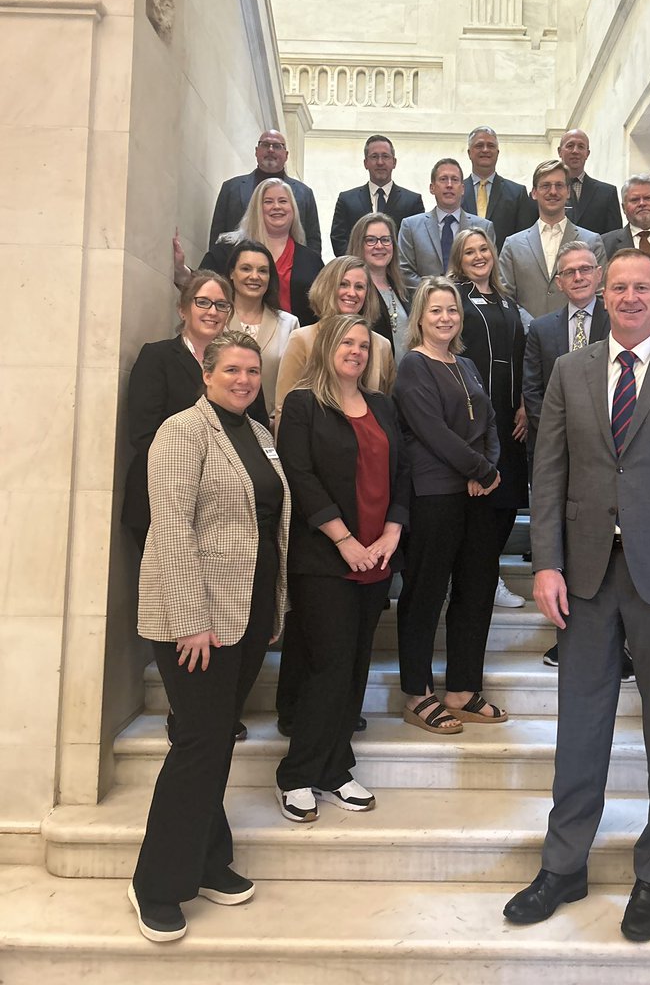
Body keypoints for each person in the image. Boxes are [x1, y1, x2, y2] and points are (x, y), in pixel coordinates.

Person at [504, 248, 650, 942]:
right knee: (579, 728)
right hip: (583, 579)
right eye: (619, 288)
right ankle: (564, 864)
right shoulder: (570, 370)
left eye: (642, 286)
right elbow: (546, 478)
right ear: (600, 296)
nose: (631, 297)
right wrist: (543, 563)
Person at [129, 330, 290, 943]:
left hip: (245, 616)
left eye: (252, 370)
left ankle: (206, 858)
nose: (244, 380)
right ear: (206, 370)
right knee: (198, 741)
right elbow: (170, 531)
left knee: (217, 737)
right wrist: (193, 618)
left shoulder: (259, 435)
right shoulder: (181, 433)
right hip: (190, 622)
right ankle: (156, 884)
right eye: (232, 370)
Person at [274, 315, 410, 823]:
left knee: (355, 664)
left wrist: (393, 533)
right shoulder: (303, 404)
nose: (356, 350)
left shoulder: (381, 405)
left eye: (362, 344)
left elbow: (401, 471)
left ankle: (335, 769)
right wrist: (346, 541)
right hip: (325, 559)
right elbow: (301, 476)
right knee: (327, 665)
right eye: (346, 342)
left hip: (378, 557)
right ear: (326, 347)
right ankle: (298, 774)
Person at [394, 278, 505, 734]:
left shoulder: (467, 364)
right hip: (435, 494)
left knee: (476, 591)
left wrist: (490, 467)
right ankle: (417, 693)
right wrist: (479, 470)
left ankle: (461, 688)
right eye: (436, 310)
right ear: (419, 317)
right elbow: (432, 431)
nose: (445, 318)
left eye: (453, 311)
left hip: (479, 494)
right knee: (425, 593)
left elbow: (491, 422)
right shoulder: (413, 367)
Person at [122, 271, 268, 552]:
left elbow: (256, 427)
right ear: (183, 308)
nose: (212, 311)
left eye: (222, 305)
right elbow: (143, 435)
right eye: (203, 302)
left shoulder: (242, 364)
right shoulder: (158, 357)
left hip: (225, 507)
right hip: (162, 499)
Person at [521, 240, 609, 668]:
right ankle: (568, 636)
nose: (578, 277)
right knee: (564, 547)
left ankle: (617, 641)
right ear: (558, 281)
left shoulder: (620, 320)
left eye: (585, 269)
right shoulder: (541, 329)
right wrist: (567, 436)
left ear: (598, 274)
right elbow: (533, 392)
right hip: (559, 453)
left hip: (612, 456)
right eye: (569, 271)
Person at [448, 228, 529, 609]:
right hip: (473, 415)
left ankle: (488, 572)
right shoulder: (455, 300)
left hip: (511, 416)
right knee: (481, 501)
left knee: (508, 499)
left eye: (483, 249)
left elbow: (523, 356)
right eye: (469, 252)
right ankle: (477, 577)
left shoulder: (508, 303)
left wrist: (526, 404)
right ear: (458, 261)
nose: (479, 256)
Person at [273, 255, 395, 433]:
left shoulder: (382, 346)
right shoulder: (301, 339)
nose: (352, 293)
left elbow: (387, 413)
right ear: (328, 287)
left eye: (359, 287)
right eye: (343, 284)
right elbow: (284, 408)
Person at [198, 177, 324, 327]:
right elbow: (200, 286)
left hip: (294, 342)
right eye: (268, 201)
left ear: (293, 209)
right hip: (232, 337)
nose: (276, 206)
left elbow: (321, 307)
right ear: (257, 208)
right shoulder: (227, 251)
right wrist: (181, 272)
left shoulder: (311, 260)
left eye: (283, 201)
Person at [498, 159, 605, 318]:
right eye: (545, 186)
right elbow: (505, 298)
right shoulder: (512, 245)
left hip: (579, 337)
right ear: (534, 193)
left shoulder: (591, 241)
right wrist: (532, 328)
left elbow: (600, 295)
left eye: (559, 185)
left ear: (568, 192)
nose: (553, 192)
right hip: (527, 338)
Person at [208, 129, 321, 254]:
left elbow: (313, 239)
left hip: (289, 266)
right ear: (256, 151)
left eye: (277, 146)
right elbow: (217, 235)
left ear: (286, 155)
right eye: (265, 145)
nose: (271, 150)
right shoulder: (231, 188)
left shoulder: (304, 193)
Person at [224, 240, 299, 420]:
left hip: (272, 427)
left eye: (263, 271)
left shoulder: (289, 324)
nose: (254, 276)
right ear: (232, 273)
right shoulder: (215, 318)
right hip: (219, 422)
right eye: (246, 268)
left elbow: (295, 384)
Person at [398, 157, 496, 289]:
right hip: (424, 303)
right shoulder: (410, 226)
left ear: (462, 189)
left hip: (472, 303)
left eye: (454, 180)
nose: (449, 185)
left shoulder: (483, 227)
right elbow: (404, 272)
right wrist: (435, 291)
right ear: (432, 188)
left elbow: (490, 271)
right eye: (443, 179)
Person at [330, 134, 425, 256]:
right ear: (365, 163)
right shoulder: (347, 200)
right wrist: (357, 266)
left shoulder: (412, 201)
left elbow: (416, 242)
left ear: (394, 162)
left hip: (397, 272)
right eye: (374, 157)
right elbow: (338, 239)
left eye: (385, 156)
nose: (380, 162)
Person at [461, 125, 537, 250]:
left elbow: (524, 239)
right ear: (469, 153)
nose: (485, 150)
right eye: (479, 146)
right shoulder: (457, 192)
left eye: (491, 146)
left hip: (505, 266)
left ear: (497, 153)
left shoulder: (517, 193)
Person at [346, 212, 410, 359]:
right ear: (358, 244)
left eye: (386, 240)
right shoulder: (353, 293)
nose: (379, 246)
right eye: (371, 240)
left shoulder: (401, 288)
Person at [558, 128, 621, 235]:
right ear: (560, 151)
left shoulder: (607, 193)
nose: (575, 151)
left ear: (587, 153)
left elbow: (614, 238)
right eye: (570, 146)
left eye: (581, 147)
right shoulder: (544, 192)